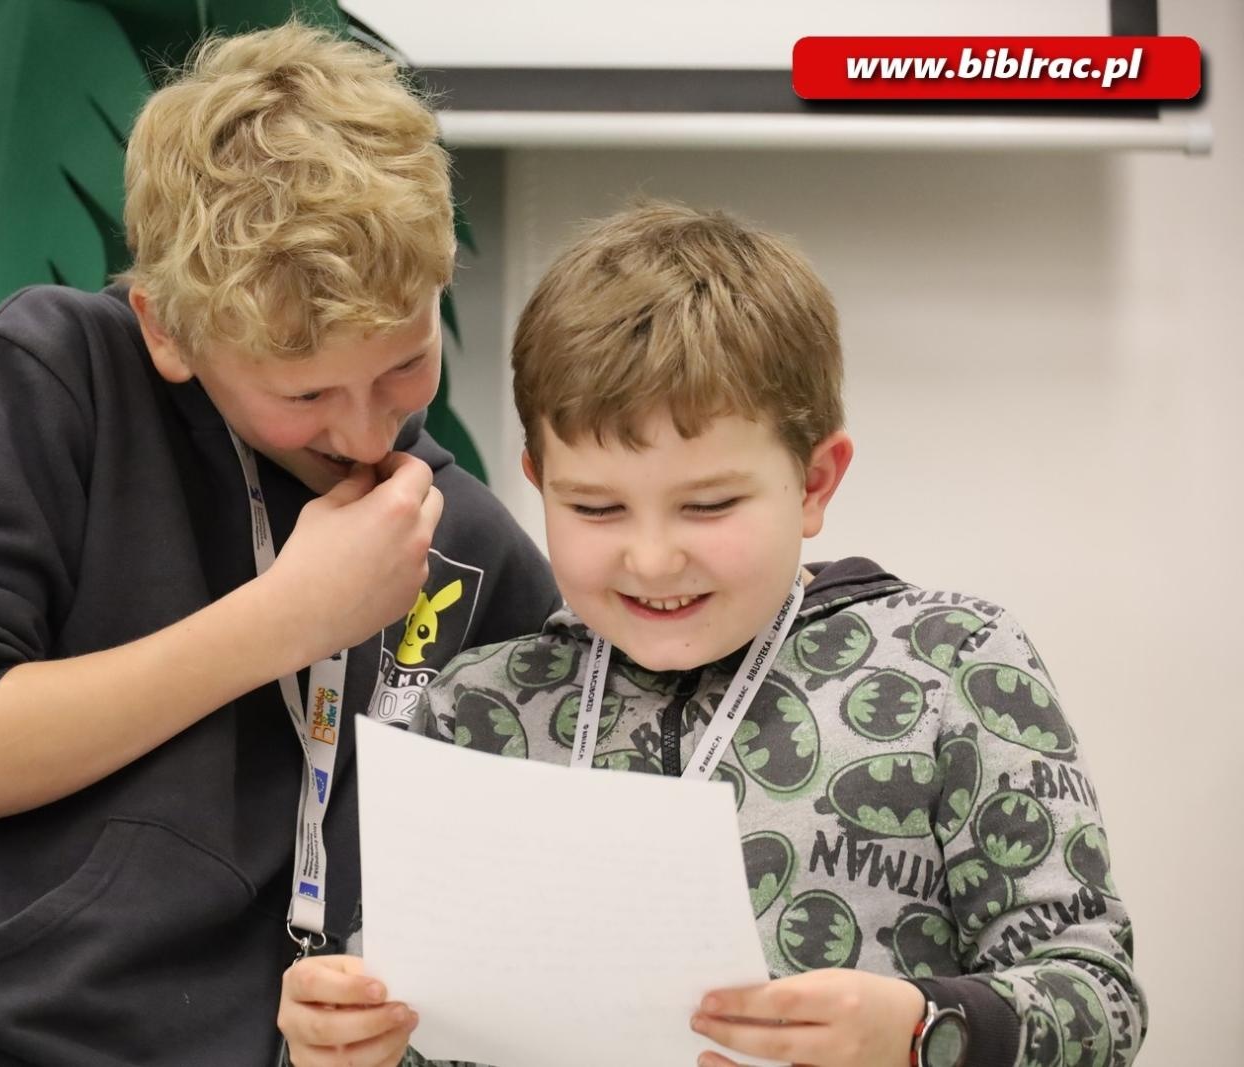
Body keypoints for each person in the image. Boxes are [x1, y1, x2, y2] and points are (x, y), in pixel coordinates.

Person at [0, 24, 558, 1067]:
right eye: (301, 394)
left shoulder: (464, 543)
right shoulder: (39, 383)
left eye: (403, 366)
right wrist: (282, 621)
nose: (363, 431)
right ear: (168, 329)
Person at [276, 202, 1146, 1067]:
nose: (652, 559)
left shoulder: (954, 663)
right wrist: (345, 1046)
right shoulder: (478, 708)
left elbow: (1098, 994)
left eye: (709, 504)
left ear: (813, 481)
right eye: (595, 507)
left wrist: (921, 1030)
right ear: (537, 478)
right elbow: (418, 1023)